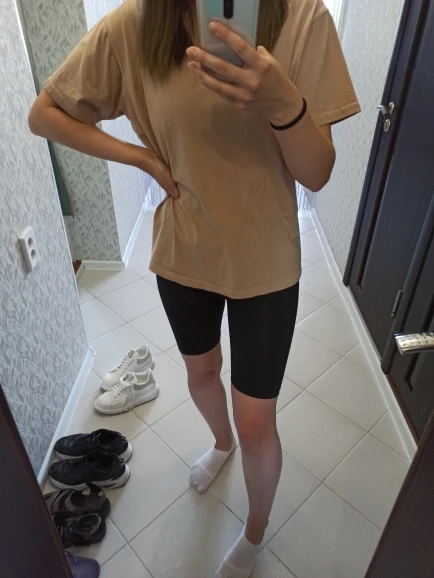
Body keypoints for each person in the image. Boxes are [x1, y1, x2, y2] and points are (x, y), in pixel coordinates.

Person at [29, 0, 359, 575]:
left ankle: (254, 533)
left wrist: (282, 102)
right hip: (185, 250)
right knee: (201, 374)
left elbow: (317, 172)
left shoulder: (304, 18)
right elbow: (45, 114)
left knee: (257, 419)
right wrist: (138, 157)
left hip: (267, 256)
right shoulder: (136, 24)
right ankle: (220, 442)